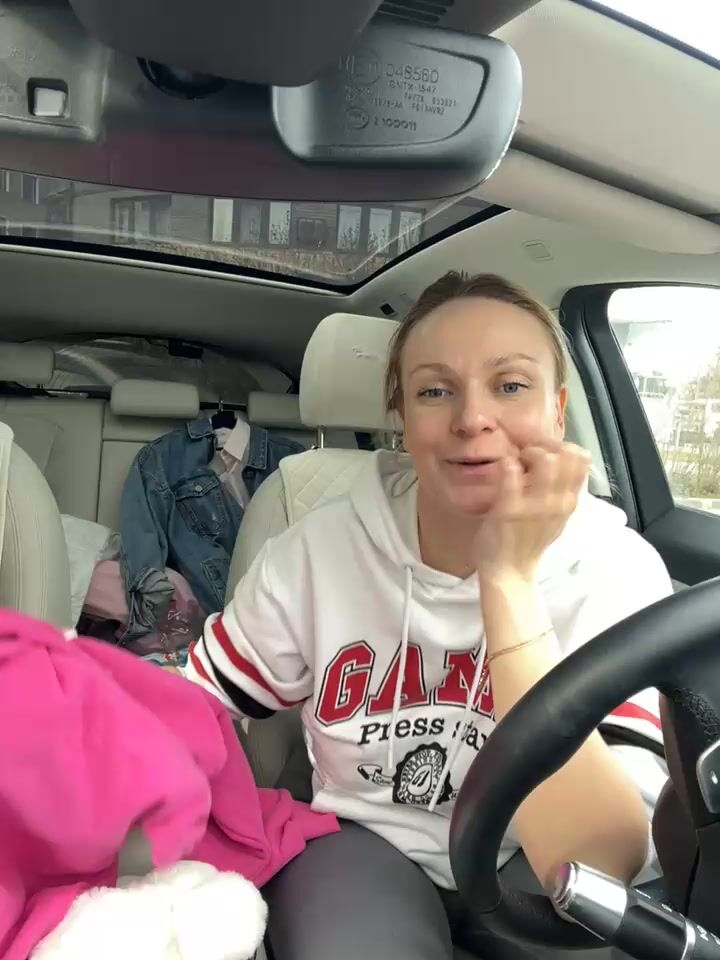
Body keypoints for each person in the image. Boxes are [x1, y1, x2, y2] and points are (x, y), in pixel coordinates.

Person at [182, 272, 672, 959]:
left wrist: (506, 583)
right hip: (367, 844)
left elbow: (598, 865)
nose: (473, 418)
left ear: (557, 411)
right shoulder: (317, 551)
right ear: (402, 420)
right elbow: (193, 701)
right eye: (435, 391)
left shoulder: (617, 567)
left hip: (532, 857)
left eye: (510, 385)